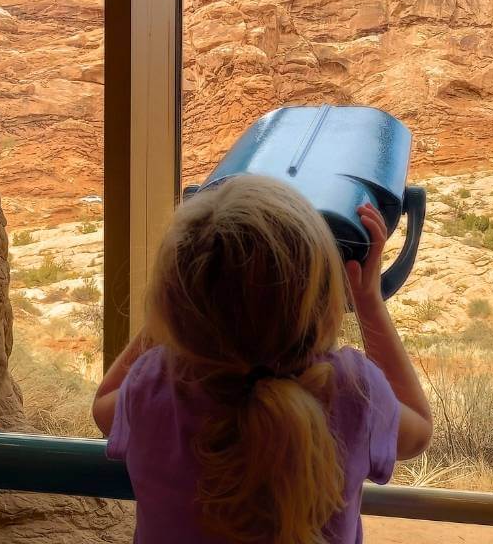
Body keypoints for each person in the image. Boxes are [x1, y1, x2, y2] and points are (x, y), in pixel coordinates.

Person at [93, 175, 432, 543]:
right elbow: (418, 433)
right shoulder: (352, 391)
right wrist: (368, 300)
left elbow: (103, 408)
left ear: (173, 302)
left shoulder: (155, 384)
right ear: (322, 299)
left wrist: (174, 306)